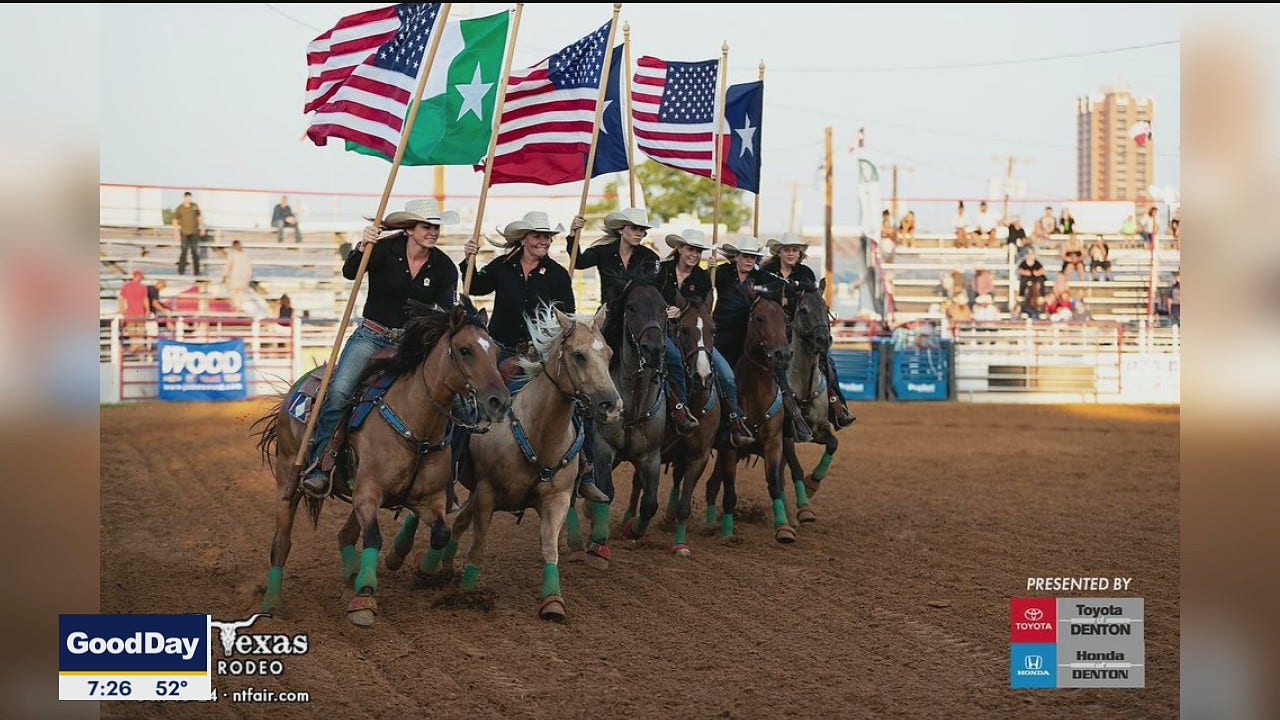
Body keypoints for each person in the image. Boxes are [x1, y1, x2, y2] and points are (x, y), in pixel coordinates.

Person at [301, 199, 461, 497]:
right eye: (427, 227)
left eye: (436, 227)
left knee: (452, 398)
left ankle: (444, 475)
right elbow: (351, 272)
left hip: (412, 341)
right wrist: (363, 247)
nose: (434, 232)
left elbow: (446, 308)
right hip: (371, 336)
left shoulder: (444, 266)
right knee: (339, 391)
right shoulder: (383, 250)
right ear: (410, 229)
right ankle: (321, 463)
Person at [461, 210, 601, 500]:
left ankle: (584, 469)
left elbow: (567, 318)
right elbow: (475, 285)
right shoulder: (502, 266)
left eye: (548, 236)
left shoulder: (559, 275)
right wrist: (469, 259)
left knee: (572, 402)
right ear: (524, 238)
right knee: (469, 400)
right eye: (538, 236)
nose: (544, 241)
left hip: (540, 355)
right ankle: (462, 461)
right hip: (499, 349)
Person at [565, 209, 704, 430]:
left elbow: (658, 287)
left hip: (643, 321)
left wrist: (674, 308)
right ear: (622, 229)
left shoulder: (649, 258)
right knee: (587, 359)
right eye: (635, 228)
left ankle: (679, 408)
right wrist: (574, 235)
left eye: (642, 230)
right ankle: (581, 412)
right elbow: (578, 261)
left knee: (674, 358)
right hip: (610, 320)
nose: (639, 233)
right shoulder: (603, 252)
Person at [713, 236, 814, 443]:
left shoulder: (762, 277)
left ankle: (795, 417)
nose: (749, 261)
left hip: (748, 338)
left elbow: (782, 287)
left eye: (753, 257)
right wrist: (710, 268)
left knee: (779, 373)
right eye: (745, 256)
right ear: (736, 257)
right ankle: (718, 421)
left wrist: (787, 292)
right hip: (722, 337)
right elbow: (704, 283)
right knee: (716, 377)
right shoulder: (721, 273)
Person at [659, 229, 754, 447]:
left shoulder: (702, 277)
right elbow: (651, 296)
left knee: (728, 376)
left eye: (698, 251)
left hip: (692, 337)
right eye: (690, 249)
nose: (694, 254)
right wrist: (663, 309)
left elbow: (699, 307)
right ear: (680, 249)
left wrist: (680, 312)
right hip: (662, 333)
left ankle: (734, 420)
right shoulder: (662, 271)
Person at [762, 233, 856, 429]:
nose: (790, 253)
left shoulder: (805, 273)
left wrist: (787, 296)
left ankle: (837, 405)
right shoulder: (766, 271)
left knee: (826, 361)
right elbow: (763, 294)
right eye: (787, 250)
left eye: (794, 250)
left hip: (799, 326)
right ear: (779, 252)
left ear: (800, 253)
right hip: (772, 326)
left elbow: (810, 297)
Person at [172, 191, 205, 276]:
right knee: (184, 251)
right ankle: (181, 271)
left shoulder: (195, 206)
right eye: (187, 198)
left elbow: (199, 217)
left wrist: (202, 227)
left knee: (194, 251)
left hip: (194, 232)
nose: (188, 199)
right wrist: (176, 233)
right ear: (184, 198)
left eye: (189, 198)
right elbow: (175, 220)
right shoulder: (180, 208)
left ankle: (196, 272)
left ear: (191, 198)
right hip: (184, 232)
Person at [118, 270, 149, 354]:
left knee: (137, 329)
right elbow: (122, 299)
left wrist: (147, 310)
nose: (141, 279)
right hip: (134, 311)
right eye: (140, 277)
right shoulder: (141, 287)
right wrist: (122, 309)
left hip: (135, 311)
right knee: (136, 329)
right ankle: (136, 345)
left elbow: (122, 299)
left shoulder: (128, 286)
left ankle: (137, 345)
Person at [221, 240, 255, 312]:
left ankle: (238, 307)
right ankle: (237, 307)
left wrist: (249, 275)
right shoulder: (232, 254)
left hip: (242, 277)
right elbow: (228, 265)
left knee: (240, 293)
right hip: (235, 277)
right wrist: (225, 275)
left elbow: (250, 266)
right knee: (235, 293)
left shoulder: (244, 255)